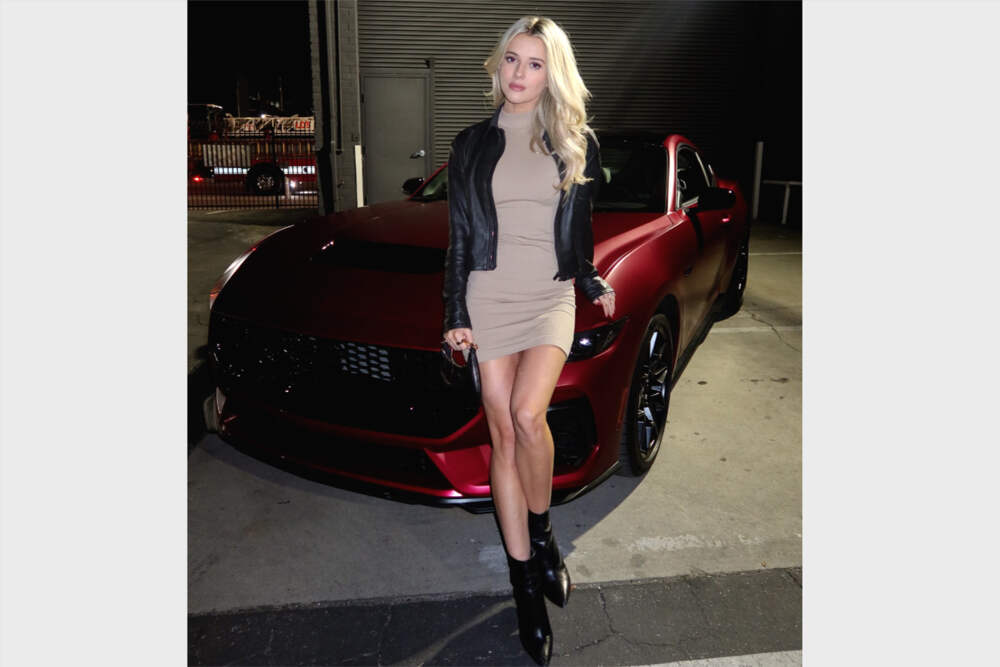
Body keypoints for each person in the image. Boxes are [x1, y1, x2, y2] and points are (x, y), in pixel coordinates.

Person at [441, 15, 615, 666]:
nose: (519, 73)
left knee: (525, 414)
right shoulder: (470, 144)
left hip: (549, 295)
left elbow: (579, 226)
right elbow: (460, 235)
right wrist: (454, 311)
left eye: (535, 63)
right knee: (503, 435)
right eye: (512, 59)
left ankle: (542, 534)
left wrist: (591, 277)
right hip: (488, 296)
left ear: (552, 74)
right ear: (498, 65)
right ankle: (525, 588)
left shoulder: (574, 141)